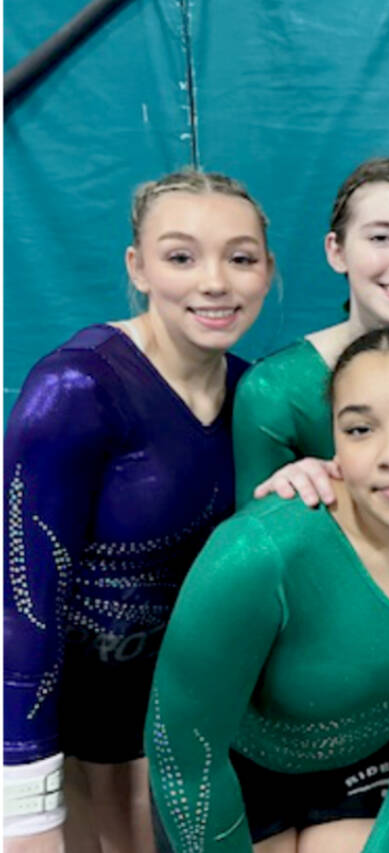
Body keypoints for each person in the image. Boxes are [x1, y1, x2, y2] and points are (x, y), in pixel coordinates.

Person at [146, 326, 389, 852]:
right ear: (333, 439)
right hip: (229, 777)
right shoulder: (260, 550)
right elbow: (183, 758)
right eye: (360, 430)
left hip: (364, 765)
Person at [3, 171, 273, 852]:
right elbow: (20, 599)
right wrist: (24, 798)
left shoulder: (256, 394)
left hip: (177, 715)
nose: (215, 282)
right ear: (139, 265)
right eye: (181, 256)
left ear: (268, 269)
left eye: (240, 258)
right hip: (57, 722)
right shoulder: (77, 387)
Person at [233, 156, 389, 508]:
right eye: (381, 237)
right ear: (336, 251)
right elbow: (252, 545)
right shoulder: (274, 390)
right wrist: (284, 499)